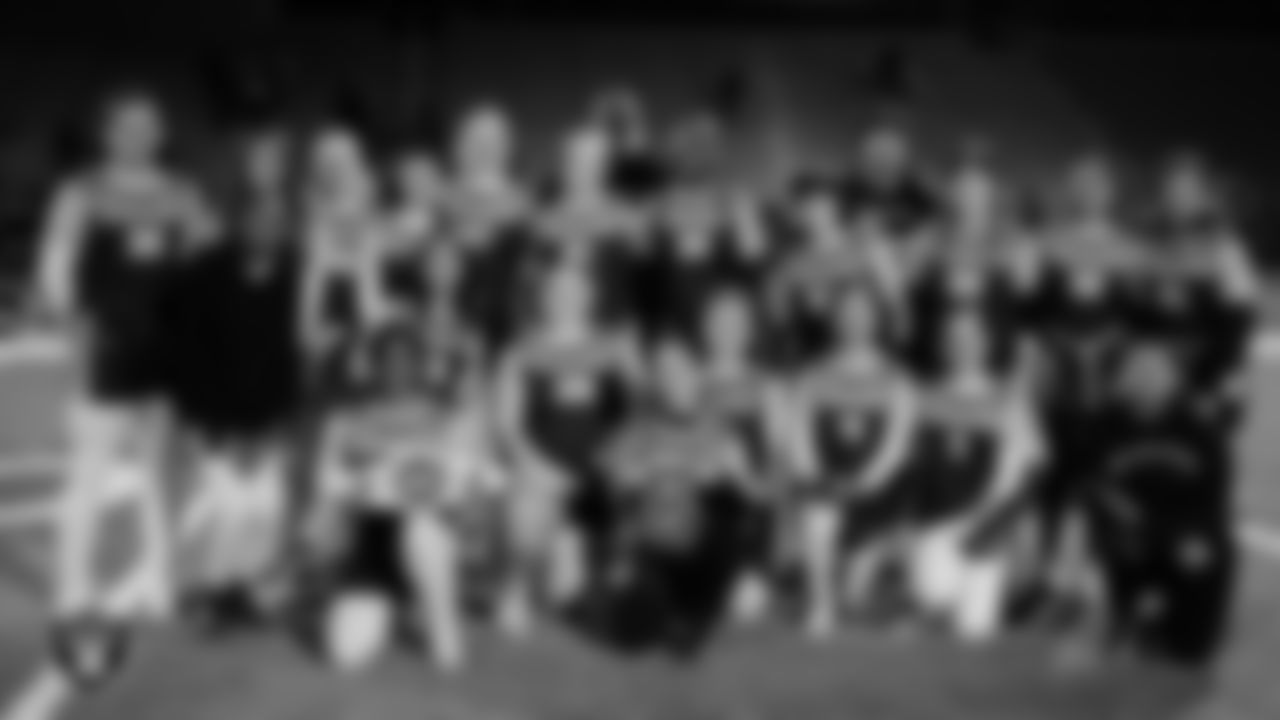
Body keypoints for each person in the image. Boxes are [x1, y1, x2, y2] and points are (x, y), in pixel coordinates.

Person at [35, 89, 216, 686]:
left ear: (160, 134)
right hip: (105, 352)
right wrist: (73, 328)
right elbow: (56, 269)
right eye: (125, 124)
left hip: (164, 354)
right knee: (87, 475)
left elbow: (210, 259)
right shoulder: (80, 191)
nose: (136, 134)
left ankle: (159, 584)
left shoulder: (183, 193)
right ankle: (70, 590)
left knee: (159, 473)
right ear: (106, 131)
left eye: (147, 125)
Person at [168, 123, 302, 634]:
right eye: (257, 218)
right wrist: (213, 429)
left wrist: (272, 430)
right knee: (223, 510)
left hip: (269, 419)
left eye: (278, 219)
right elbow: (190, 355)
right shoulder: (208, 272)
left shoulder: (295, 274)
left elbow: (291, 362)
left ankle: (248, 591)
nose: (267, 226)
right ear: (238, 221)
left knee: (265, 510)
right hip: (217, 421)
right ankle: (210, 590)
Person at [312, 327, 503, 673]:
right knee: (345, 654)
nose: (397, 370)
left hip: (437, 538)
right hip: (374, 547)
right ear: (372, 367)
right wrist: (330, 532)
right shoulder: (346, 422)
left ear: (422, 366)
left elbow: (483, 483)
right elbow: (329, 495)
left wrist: (471, 525)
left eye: (406, 361)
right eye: (387, 361)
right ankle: (392, 603)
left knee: (421, 530)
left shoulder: (450, 418)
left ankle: (440, 619)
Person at [490, 263, 642, 635]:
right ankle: (516, 587)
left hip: (605, 464)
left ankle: (589, 559)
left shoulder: (617, 346)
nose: (566, 298)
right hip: (543, 463)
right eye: (557, 290)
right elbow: (506, 423)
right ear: (544, 297)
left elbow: (644, 410)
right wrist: (530, 463)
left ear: (591, 297)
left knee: (641, 492)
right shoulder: (521, 350)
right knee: (524, 514)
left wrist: (621, 457)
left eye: (575, 290)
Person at [591, 343, 762, 658]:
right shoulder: (635, 428)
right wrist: (651, 474)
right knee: (631, 639)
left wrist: (728, 475)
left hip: (701, 541)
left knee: (724, 512)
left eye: (681, 372)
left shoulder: (720, 430)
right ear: (655, 383)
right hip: (649, 539)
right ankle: (645, 599)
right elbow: (612, 477)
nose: (674, 381)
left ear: (697, 377)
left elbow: (748, 491)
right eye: (665, 374)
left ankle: (701, 606)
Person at [1082, 340, 1235, 668]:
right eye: (1137, 373)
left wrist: (1198, 537)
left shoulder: (1200, 428)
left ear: (1174, 380)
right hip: (1131, 529)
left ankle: (1173, 615)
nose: (1147, 382)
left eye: (1157, 374)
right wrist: (1116, 507)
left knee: (1191, 650)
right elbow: (1094, 483)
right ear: (1122, 381)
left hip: (1184, 528)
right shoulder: (1103, 424)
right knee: (1121, 542)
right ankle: (1128, 609)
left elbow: (1214, 496)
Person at [900, 309, 1045, 643]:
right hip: (935, 523)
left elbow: (1030, 473)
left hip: (986, 525)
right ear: (941, 346)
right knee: (934, 596)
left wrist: (1014, 532)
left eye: (970, 338)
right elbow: (909, 471)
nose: (962, 346)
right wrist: (905, 531)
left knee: (974, 631)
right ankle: (924, 603)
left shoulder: (1008, 399)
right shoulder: (923, 398)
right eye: (953, 338)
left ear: (986, 344)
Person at [788, 288, 918, 639]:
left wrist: (867, 482)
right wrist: (817, 477)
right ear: (835, 319)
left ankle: (857, 585)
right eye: (846, 312)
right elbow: (799, 435)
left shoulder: (896, 378)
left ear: (876, 319)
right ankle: (821, 606)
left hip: (876, 494)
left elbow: (898, 444)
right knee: (816, 518)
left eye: (863, 312)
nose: (854, 321)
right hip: (826, 487)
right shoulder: (812, 375)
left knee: (856, 595)